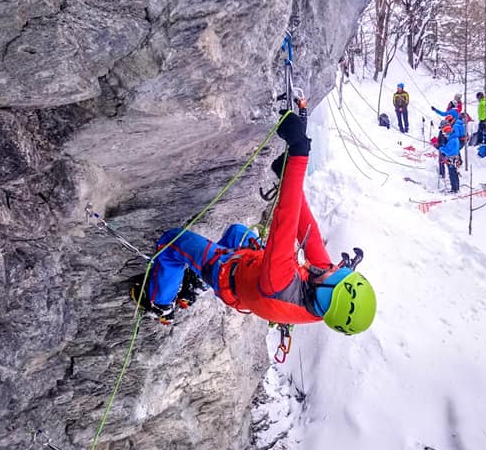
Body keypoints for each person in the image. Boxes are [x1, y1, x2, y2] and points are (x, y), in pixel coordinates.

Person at [143, 111, 377, 335]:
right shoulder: (321, 291)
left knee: (173, 241)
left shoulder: (281, 286)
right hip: (250, 269)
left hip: (228, 275)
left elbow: (285, 222)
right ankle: (196, 283)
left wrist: (298, 154)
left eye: (337, 275)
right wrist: (286, 174)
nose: (335, 267)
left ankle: (160, 303)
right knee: (237, 233)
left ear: (329, 297)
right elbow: (308, 232)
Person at [439, 125, 462, 193]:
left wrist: (441, 149)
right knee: (455, 173)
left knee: (452, 173)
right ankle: (456, 187)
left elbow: (448, 150)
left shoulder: (452, 140)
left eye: (445, 134)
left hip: (451, 158)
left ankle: (454, 189)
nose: (445, 135)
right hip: (455, 158)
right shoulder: (454, 138)